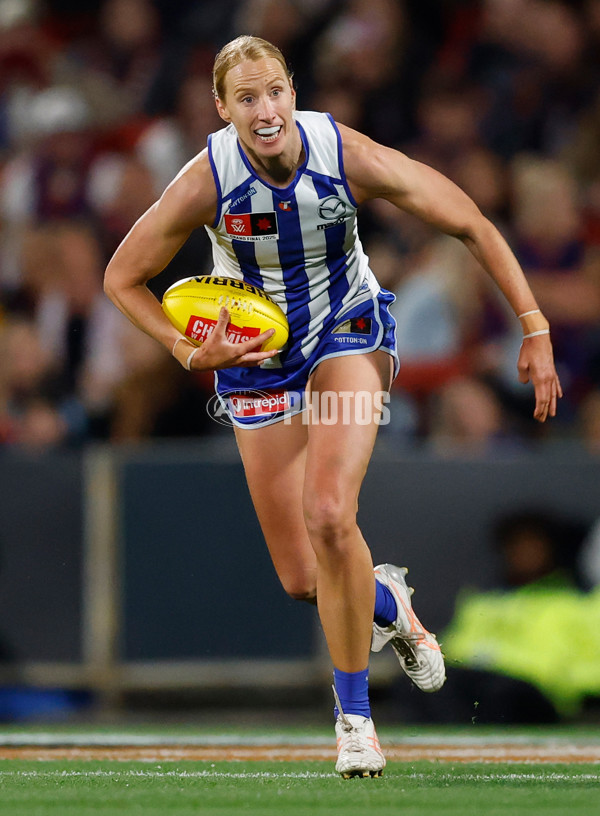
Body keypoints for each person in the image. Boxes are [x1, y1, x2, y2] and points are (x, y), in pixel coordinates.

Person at [104, 35, 562, 778]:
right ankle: (389, 604)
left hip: (347, 332)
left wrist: (533, 327)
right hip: (257, 364)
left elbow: (471, 221)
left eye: (275, 92)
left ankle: (354, 722)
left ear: (293, 92)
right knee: (303, 578)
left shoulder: (344, 154)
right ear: (221, 110)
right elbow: (121, 278)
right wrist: (187, 352)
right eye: (246, 98)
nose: (265, 110)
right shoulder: (206, 180)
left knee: (327, 513)